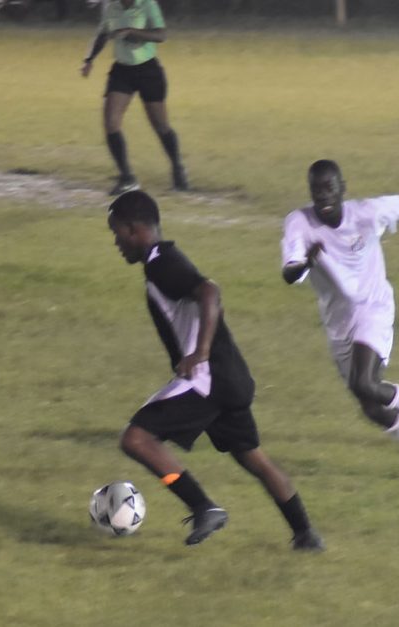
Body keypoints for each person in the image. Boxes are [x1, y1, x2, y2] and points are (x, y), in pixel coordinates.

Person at [108, 190, 323, 550]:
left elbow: (209, 291)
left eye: (117, 233)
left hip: (207, 379)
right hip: (231, 377)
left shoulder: (161, 262)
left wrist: (199, 353)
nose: (116, 243)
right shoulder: (159, 262)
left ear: (134, 229)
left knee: (137, 439)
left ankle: (202, 506)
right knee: (253, 458)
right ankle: (305, 533)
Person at [281, 160, 399, 479]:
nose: (323, 196)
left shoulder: (366, 212)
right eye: (316, 190)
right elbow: (289, 273)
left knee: (364, 382)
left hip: (374, 307)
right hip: (338, 321)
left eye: (329, 188)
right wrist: (305, 264)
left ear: (343, 187)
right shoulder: (299, 223)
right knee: (371, 406)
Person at [81, 0, 188, 196]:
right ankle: (127, 178)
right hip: (122, 71)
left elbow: (161, 35)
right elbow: (103, 34)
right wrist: (88, 59)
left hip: (148, 70)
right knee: (111, 122)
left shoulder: (147, 4)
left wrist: (132, 32)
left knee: (160, 125)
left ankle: (177, 167)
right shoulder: (111, 7)